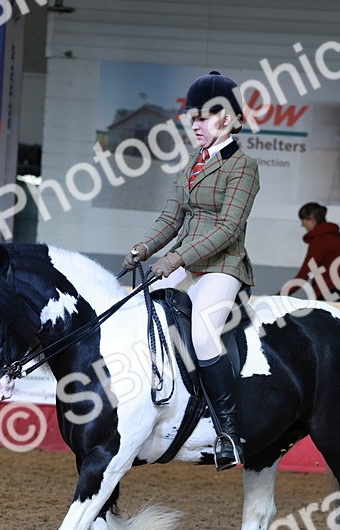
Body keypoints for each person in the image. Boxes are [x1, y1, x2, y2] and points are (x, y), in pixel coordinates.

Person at [124, 71, 260, 470]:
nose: (196, 125)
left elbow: (229, 228)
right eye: (193, 118)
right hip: (184, 263)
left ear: (230, 119)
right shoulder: (192, 167)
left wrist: (176, 259)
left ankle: (229, 434)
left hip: (222, 267)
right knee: (141, 314)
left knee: (202, 335)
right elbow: (170, 219)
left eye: (204, 117)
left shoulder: (243, 167)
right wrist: (143, 247)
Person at [285, 202, 340, 301]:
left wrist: (280, 295)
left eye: (303, 220)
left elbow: (304, 274)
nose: (302, 225)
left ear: (312, 219)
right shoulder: (339, 238)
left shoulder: (320, 241)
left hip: (327, 294)